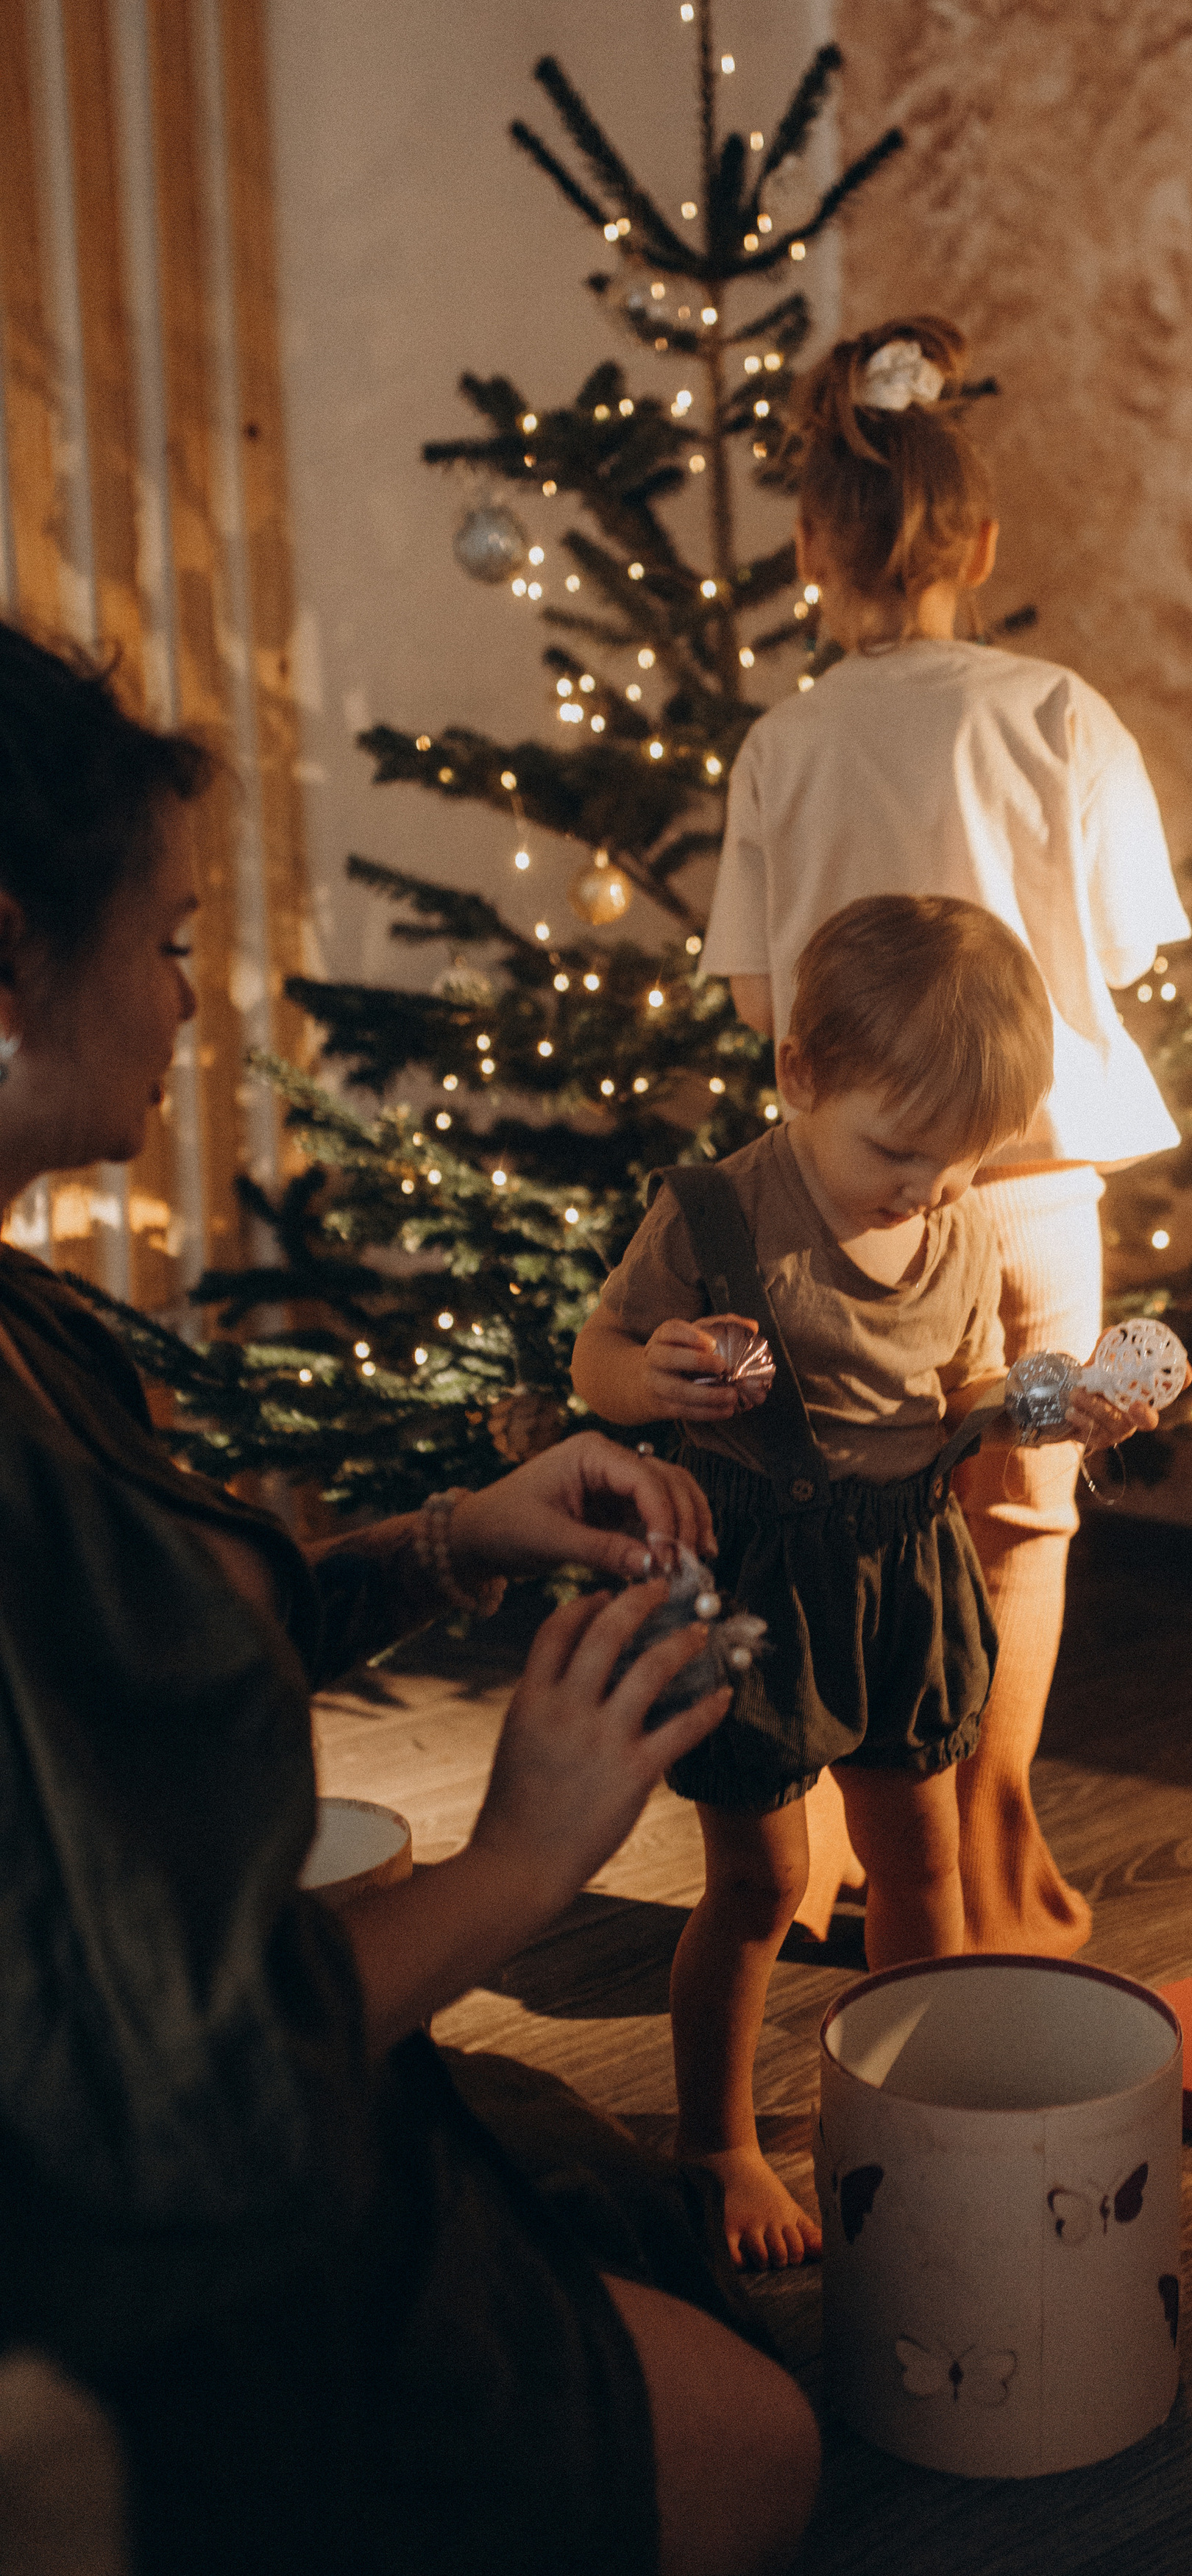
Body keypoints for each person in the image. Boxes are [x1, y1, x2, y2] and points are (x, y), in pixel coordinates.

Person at [0, 622, 820, 2576]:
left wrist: (461, 1537)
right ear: (9, 958)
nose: (189, 997)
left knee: (650, 2238)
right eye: (168, 940)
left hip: (304, 2108)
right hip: (163, 2266)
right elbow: (146, 2098)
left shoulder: (31, 1319)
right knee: (772, 2450)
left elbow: (157, 1665)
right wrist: (519, 1859)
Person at [571, 895, 1164, 2270]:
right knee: (763, 1883)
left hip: (904, 1573)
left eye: (960, 1163)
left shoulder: (955, 1226)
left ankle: (916, 2107)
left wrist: (1056, 1406)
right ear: (799, 1074)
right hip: (756, 1584)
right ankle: (718, 2142)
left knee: (924, 1864)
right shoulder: (715, 1212)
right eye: (897, 1152)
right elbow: (597, 1358)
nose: (927, 1188)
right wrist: (646, 1375)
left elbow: (960, 1394)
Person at [701, 315, 1191, 1956]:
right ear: (978, 546)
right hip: (1037, 1170)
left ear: (807, 546)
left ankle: (847, 1848)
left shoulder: (782, 743)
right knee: (1019, 1523)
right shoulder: (1060, 711)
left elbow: (761, 999)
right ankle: (986, 1848)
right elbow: (1125, 952)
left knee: (841, 1506)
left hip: (850, 1209)